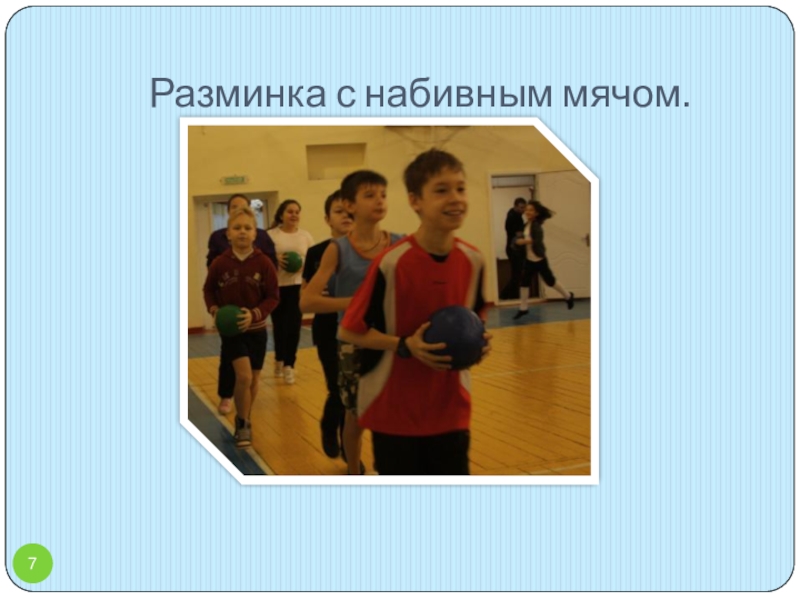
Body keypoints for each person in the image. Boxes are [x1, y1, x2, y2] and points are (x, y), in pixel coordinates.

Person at [338, 149, 492, 476]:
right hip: (395, 413)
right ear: (415, 200)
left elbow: (476, 324)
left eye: (460, 188)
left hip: (451, 410)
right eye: (441, 190)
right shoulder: (392, 263)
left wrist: (479, 344)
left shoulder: (474, 260)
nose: (455, 198)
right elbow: (349, 330)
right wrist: (405, 345)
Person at [300, 170, 403, 475]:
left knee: (394, 411)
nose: (379, 201)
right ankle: (354, 471)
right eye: (369, 195)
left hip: (392, 340)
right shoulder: (338, 249)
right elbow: (307, 302)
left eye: (383, 194)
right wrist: (356, 302)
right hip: (353, 342)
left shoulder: (400, 243)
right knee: (356, 415)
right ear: (350, 205)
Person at [203, 207, 280, 448]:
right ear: (228, 233)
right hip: (232, 332)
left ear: (255, 233)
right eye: (237, 228)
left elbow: (273, 296)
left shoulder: (264, 263)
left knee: (254, 380)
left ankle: (244, 415)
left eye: (248, 228)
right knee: (244, 376)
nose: (242, 232)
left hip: (257, 330)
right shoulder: (220, 263)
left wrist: (254, 314)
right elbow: (208, 290)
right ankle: (243, 423)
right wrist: (214, 309)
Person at [301, 190, 353, 460]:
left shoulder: (370, 251)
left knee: (354, 393)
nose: (346, 215)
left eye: (350, 210)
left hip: (361, 330)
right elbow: (304, 298)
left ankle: (349, 449)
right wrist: (318, 295)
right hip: (328, 330)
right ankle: (331, 428)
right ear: (327, 218)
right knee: (338, 388)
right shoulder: (316, 253)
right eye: (339, 211)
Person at [267, 200, 314, 385]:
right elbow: (262, 257)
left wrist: (303, 266)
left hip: (297, 286)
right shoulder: (271, 235)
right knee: (279, 326)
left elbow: (313, 259)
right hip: (276, 287)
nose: (294, 215)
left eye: (297, 212)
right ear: (281, 215)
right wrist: (275, 258)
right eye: (290, 211)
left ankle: (289, 365)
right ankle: (279, 358)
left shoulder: (305, 236)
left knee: (293, 326)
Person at [513, 198, 575, 319]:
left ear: (536, 213)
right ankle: (523, 308)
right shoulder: (526, 225)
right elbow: (520, 238)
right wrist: (517, 241)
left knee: (550, 281)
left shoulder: (537, 226)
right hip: (529, 260)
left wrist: (523, 241)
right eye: (527, 210)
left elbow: (536, 241)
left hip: (539, 260)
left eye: (531, 210)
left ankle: (568, 296)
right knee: (524, 283)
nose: (528, 212)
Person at [500, 197, 527, 300]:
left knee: (517, 274)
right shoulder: (513, 217)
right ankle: (508, 296)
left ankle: (508, 295)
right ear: (515, 206)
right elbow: (518, 234)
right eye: (521, 207)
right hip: (514, 249)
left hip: (514, 249)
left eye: (524, 207)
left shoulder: (515, 215)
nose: (523, 210)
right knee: (517, 274)